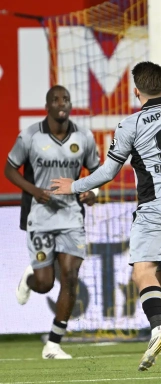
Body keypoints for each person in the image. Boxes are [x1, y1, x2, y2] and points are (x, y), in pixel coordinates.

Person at [51, 62, 161, 371]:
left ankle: (158, 329)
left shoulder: (131, 124)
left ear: (136, 91)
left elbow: (108, 172)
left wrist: (73, 185)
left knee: (142, 272)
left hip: (156, 205)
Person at [6, 85, 100, 359]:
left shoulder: (84, 137)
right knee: (46, 283)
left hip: (72, 217)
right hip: (40, 217)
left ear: (70, 105)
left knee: (70, 277)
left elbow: (97, 171)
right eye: (56, 100)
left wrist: (93, 192)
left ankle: (53, 344)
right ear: (47, 106)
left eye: (66, 99)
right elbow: (9, 169)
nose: (61, 103)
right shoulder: (30, 136)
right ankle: (30, 278)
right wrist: (34, 190)